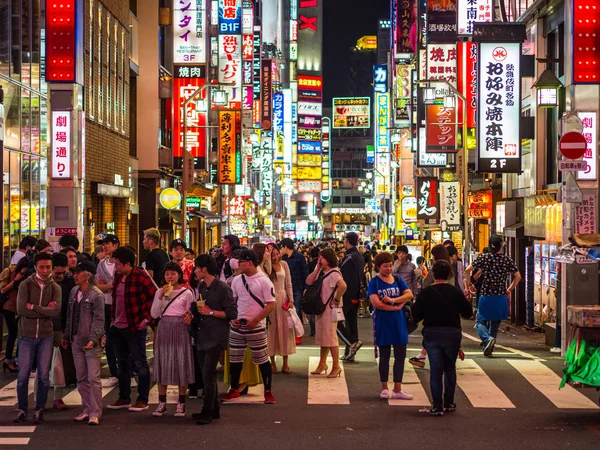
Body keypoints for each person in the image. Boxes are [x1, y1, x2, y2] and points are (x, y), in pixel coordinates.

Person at [412, 260, 473, 416]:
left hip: (432, 334)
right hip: (452, 333)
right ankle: (449, 402)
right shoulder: (455, 292)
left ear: (433, 274)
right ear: (449, 274)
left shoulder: (426, 293)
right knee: (450, 368)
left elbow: (416, 315)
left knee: (435, 370)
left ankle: (437, 406)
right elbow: (468, 313)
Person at [186, 254, 237, 425]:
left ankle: (206, 410)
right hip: (202, 333)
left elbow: (232, 313)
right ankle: (213, 408)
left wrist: (211, 312)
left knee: (208, 374)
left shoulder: (223, 288)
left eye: (196, 267)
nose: (194, 271)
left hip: (217, 335)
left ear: (204, 269)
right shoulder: (202, 287)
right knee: (206, 373)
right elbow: (199, 308)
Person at [221, 249, 277, 404]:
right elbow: (233, 301)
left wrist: (256, 319)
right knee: (235, 359)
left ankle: (268, 390)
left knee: (262, 359)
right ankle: (234, 389)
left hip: (256, 325)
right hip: (238, 325)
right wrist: (233, 318)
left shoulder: (264, 280)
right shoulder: (237, 280)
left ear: (250, 262)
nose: (238, 264)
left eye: (241, 262)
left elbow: (271, 304)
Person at [106, 246, 157, 412]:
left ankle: (143, 399)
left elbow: (155, 297)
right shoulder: (118, 276)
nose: (116, 267)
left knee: (140, 363)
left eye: (118, 264)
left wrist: (146, 320)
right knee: (122, 363)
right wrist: (113, 320)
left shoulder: (141, 276)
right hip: (118, 326)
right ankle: (124, 397)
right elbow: (115, 299)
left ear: (128, 264)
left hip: (135, 326)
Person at [14, 252, 62, 424]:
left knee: (43, 375)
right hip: (26, 335)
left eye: (48, 267)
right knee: (23, 375)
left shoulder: (55, 287)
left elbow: (55, 311)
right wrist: (44, 309)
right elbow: (21, 309)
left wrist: (33, 306)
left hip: (45, 336)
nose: (45, 270)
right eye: (41, 267)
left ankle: (39, 409)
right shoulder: (25, 285)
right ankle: (22, 409)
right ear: (35, 267)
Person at [61, 260, 105, 426]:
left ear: (88, 275)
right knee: (81, 378)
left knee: (93, 378)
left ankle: (95, 412)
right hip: (75, 339)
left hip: (90, 341)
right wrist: (66, 335)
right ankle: (86, 409)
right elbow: (69, 315)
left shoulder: (97, 295)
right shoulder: (74, 291)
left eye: (78, 273)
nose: (74, 275)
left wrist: (94, 339)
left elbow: (99, 320)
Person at [150, 262, 195, 418]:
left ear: (179, 275)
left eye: (173, 274)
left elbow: (191, 312)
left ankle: (181, 403)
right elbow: (154, 314)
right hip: (164, 326)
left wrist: (189, 316)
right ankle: (161, 402)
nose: (170, 277)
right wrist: (161, 296)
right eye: (167, 274)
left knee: (180, 362)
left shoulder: (187, 293)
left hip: (180, 327)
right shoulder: (159, 292)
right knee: (163, 362)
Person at [367, 251, 414, 400]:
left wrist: (394, 301)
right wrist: (395, 307)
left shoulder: (398, 279)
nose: (388, 269)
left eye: (390, 266)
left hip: (399, 323)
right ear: (378, 267)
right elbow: (376, 303)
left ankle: (398, 388)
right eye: (385, 266)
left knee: (400, 356)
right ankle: (384, 387)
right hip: (383, 322)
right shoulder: (374, 282)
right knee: (384, 356)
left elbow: (409, 294)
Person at [465, 235, 521, 357]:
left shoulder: (484, 258)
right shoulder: (507, 260)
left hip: (485, 295)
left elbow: (467, 270)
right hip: (500, 296)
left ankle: (486, 339)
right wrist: (509, 289)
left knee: (480, 321)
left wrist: (470, 285)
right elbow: (518, 276)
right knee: (495, 322)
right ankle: (489, 347)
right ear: (501, 245)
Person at [410, 244, 454, 369]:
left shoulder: (437, 267)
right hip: (449, 303)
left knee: (431, 330)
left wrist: (418, 276)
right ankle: (423, 356)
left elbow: (426, 284)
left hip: (435, 303)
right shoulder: (450, 266)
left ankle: (424, 356)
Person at [306, 248, 346, 378]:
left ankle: (336, 366)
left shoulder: (334, 273)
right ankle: (322, 363)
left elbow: (343, 286)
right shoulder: (323, 272)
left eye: (321, 258)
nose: (319, 260)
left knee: (330, 337)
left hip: (329, 309)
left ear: (327, 259)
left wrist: (336, 299)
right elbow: (308, 281)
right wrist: (317, 268)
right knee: (324, 337)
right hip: (322, 308)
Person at [51, 252, 76, 410]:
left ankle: (57, 397)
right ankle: (41, 401)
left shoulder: (70, 282)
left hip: (62, 326)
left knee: (58, 364)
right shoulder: (43, 282)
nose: (60, 275)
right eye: (57, 273)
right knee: (44, 364)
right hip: (44, 326)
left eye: (63, 272)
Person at [95, 234, 120, 387]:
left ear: (116, 245)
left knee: (123, 338)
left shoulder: (121, 262)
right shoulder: (101, 264)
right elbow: (98, 285)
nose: (105, 246)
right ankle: (113, 373)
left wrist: (108, 285)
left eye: (108, 243)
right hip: (106, 304)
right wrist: (112, 286)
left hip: (121, 304)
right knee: (109, 339)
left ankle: (127, 372)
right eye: (103, 244)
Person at [267, 244, 296, 374]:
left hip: (283, 298)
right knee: (272, 331)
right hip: (271, 300)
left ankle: (285, 363)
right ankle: (272, 362)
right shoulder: (266, 267)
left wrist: (291, 300)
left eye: (277, 254)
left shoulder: (284, 264)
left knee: (285, 330)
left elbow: (288, 283)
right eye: (272, 255)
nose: (275, 257)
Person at [338, 232, 365, 361]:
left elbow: (344, 278)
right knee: (351, 323)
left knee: (336, 323)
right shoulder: (359, 256)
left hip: (347, 294)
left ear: (347, 241)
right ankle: (350, 353)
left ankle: (353, 342)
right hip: (357, 293)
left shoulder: (349, 257)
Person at [0, 258, 30, 373]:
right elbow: (2, 290)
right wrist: (16, 280)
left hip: (21, 308)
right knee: (13, 333)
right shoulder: (8, 272)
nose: (24, 274)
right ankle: (8, 360)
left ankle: (16, 359)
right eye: (23, 272)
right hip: (9, 307)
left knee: (20, 333)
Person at [279, 238, 309, 343]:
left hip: (297, 287)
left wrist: (306, 287)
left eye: (281, 247)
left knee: (297, 310)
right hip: (284, 288)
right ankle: (289, 333)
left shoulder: (299, 257)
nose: (281, 249)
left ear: (286, 247)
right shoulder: (282, 259)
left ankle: (298, 334)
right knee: (286, 311)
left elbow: (305, 272)